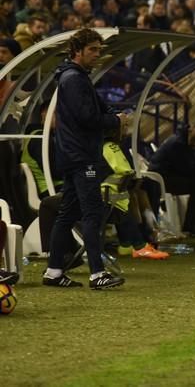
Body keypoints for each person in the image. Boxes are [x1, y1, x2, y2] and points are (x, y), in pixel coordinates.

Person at [43, 28, 127, 289]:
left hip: (73, 154)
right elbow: (87, 118)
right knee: (92, 213)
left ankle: (54, 272)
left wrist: (112, 115)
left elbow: (95, 109)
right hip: (82, 156)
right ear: (77, 50)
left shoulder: (74, 77)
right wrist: (115, 120)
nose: (97, 55)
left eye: (99, 50)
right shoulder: (74, 79)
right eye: (92, 50)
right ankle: (97, 274)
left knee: (67, 215)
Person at [149, 122, 195, 236]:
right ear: (190, 131)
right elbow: (185, 168)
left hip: (173, 176)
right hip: (160, 178)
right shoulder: (177, 144)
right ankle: (191, 227)